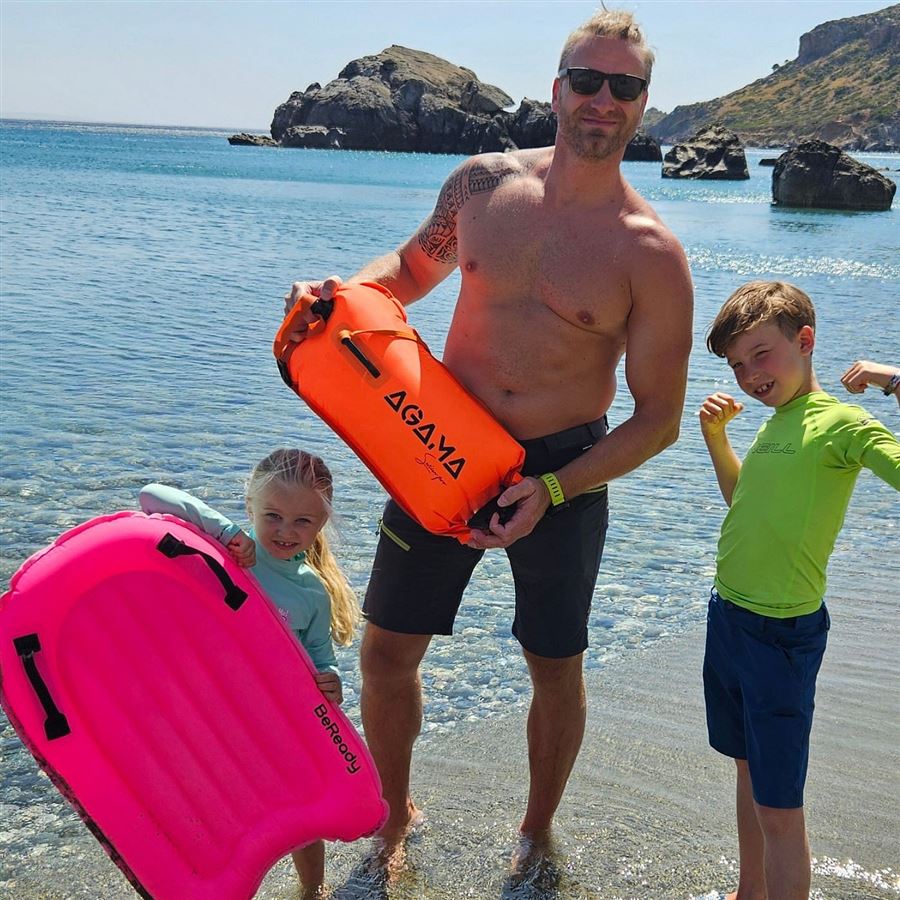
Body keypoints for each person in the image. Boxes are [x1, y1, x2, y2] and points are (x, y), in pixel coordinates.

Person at [284, 8, 693, 877]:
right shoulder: (480, 187)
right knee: (387, 652)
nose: (603, 99)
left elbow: (658, 418)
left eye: (624, 86)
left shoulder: (652, 254)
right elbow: (407, 273)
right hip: (439, 448)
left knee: (554, 663)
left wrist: (554, 489)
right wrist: (340, 296)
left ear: (643, 102)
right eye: (587, 79)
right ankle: (393, 817)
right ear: (558, 88)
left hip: (563, 471)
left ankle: (536, 831)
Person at [698, 281, 899, 900]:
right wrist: (717, 441)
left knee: (779, 806)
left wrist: (895, 379)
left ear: (804, 340)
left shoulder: (842, 424)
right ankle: (748, 893)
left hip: (779, 634)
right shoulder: (778, 422)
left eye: (760, 354)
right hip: (728, 617)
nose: (749, 375)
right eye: (737, 364)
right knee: (748, 772)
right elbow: (744, 504)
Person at [140, 448, 359, 900]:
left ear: (321, 524)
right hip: (209, 717)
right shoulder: (228, 552)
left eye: (303, 521)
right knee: (221, 814)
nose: (285, 531)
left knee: (299, 813)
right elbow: (151, 495)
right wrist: (226, 531)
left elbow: (319, 654)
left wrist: (330, 678)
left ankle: (312, 890)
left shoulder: (310, 591)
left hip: (272, 724)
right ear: (250, 506)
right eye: (272, 515)